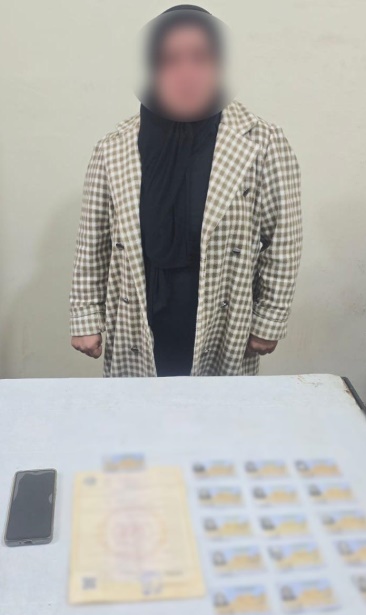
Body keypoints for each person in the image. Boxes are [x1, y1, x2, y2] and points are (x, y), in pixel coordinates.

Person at [70, 4, 303, 377]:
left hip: (222, 314)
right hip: (137, 311)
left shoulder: (263, 142)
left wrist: (269, 318)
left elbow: (283, 239)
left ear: (220, 66)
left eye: (201, 58)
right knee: (142, 408)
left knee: (215, 409)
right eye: (169, 60)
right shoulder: (114, 147)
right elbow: (93, 240)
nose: (186, 74)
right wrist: (85, 315)